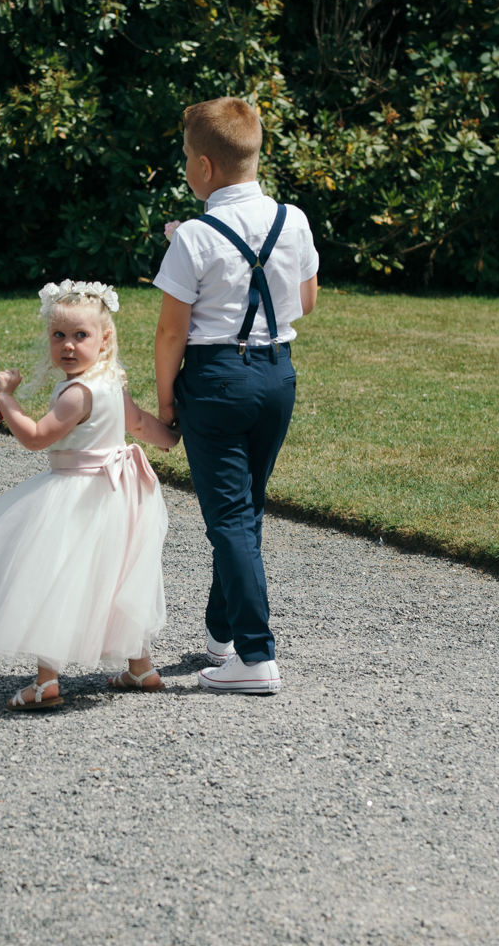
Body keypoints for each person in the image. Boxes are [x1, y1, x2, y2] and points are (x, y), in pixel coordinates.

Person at [0, 281, 180, 711]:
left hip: (78, 497)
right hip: (120, 498)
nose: (67, 346)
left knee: (57, 580)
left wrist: (4, 397)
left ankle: (47, 682)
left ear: (104, 340)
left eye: (80, 335)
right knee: (115, 576)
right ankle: (140, 666)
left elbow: (36, 437)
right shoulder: (111, 382)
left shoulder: (76, 392)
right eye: (58, 336)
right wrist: (172, 437)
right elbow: (138, 423)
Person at [153, 97, 320, 695]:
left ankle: (255, 655)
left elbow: (172, 329)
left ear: (204, 167)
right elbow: (306, 301)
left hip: (215, 377)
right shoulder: (292, 219)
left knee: (227, 517)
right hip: (278, 375)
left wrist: (167, 399)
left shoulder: (194, 236)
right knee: (246, 508)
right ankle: (221, 633)